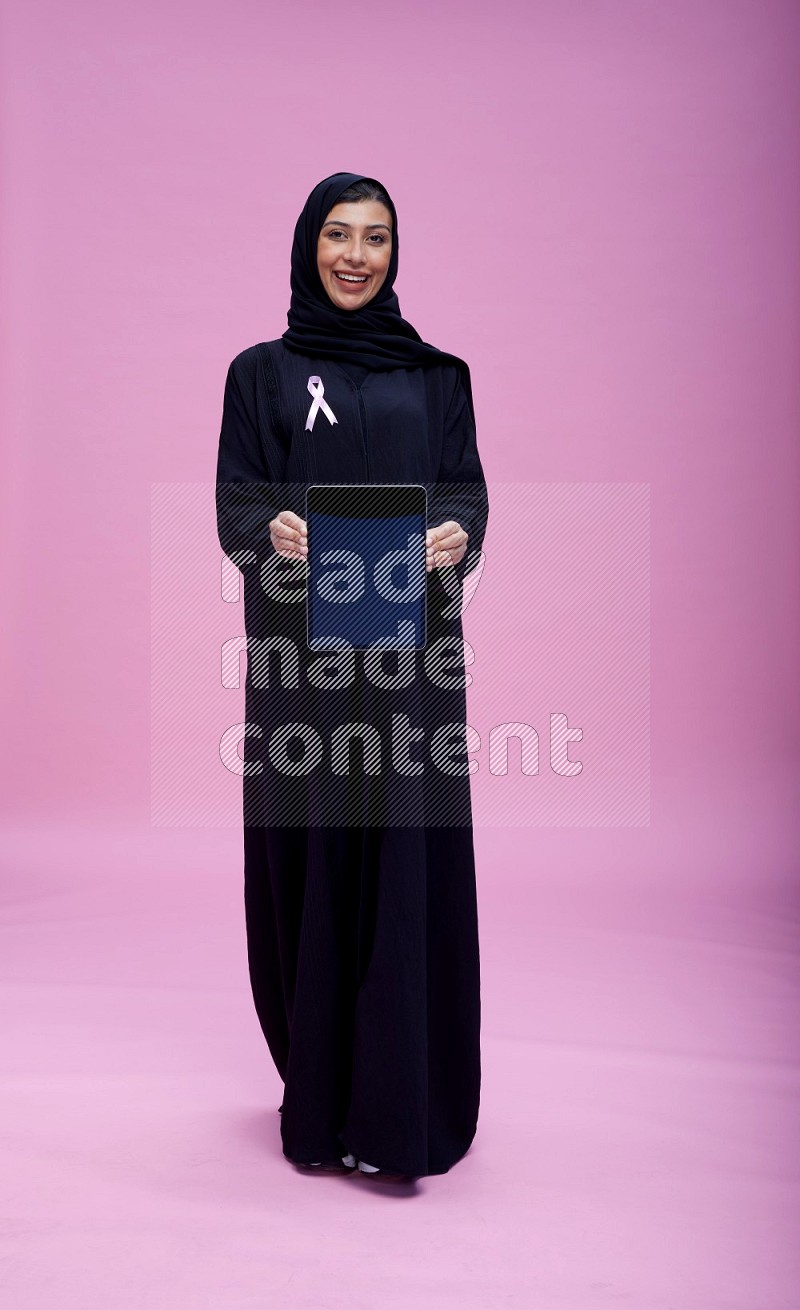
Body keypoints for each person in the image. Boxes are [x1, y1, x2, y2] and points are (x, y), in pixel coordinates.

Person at [215, 172, 489, 1179]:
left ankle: (405, 1111)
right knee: (316, 861)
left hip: (413, 668)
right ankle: (321, 1098)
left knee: (406, 865)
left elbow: (467, 493)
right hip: (304, 673)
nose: (356, 254)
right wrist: (268, 527)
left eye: (375, 237)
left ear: (394, 253)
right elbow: (234, 503)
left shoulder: (439, 377)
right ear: (307, 244)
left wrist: (459, 534)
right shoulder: (260, 374)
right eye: (338, 233)